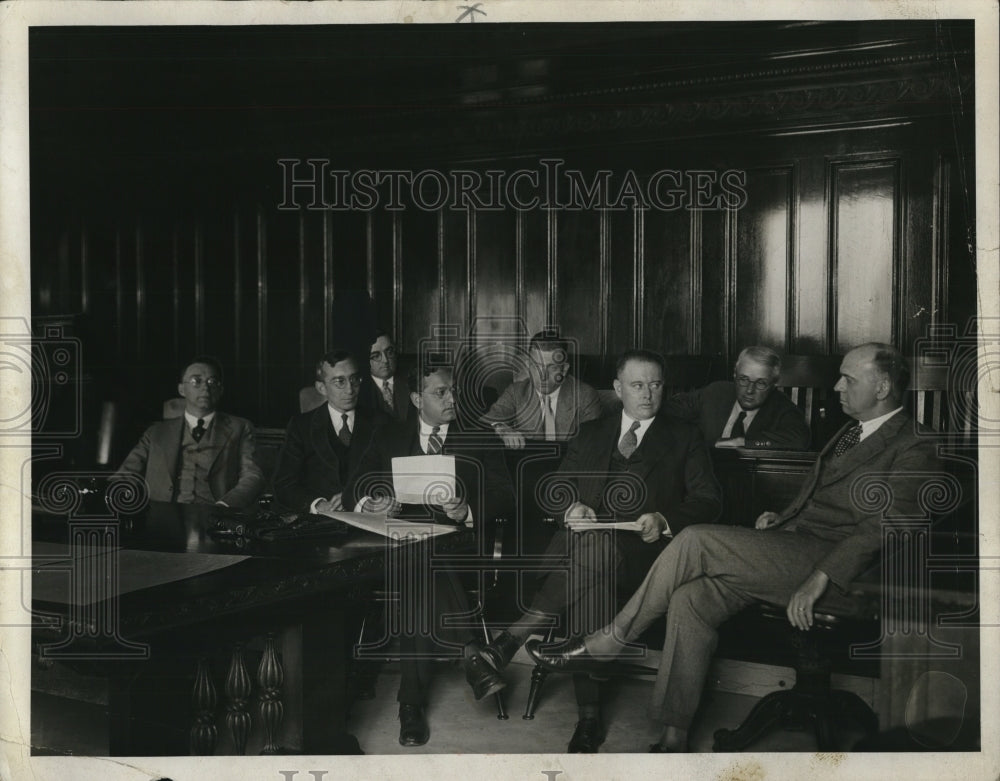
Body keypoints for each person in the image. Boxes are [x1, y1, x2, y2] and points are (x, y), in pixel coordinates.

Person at [527, 343, 938, 752]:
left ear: (882, 386)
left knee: (696, 538)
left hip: (840, 571)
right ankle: (674, 734)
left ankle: (611, 639)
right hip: (796, 546)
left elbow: (888, 526)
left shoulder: (914, 443)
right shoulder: (852, 431)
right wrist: (784, 519)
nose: (836, 385)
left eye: (848, 378)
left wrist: (821, 579)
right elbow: (824, 503)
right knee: (691, 598)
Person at [465, 349, 722, 752]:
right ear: (618, 389)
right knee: (593, 568)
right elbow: (555, 489)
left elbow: (709, 500)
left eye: (656, 384)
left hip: (644, 554)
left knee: (594, 559)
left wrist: (663, 518)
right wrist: (572, 506)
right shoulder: (592, 431)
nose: (648, 394)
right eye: (637, 385)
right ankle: (587, 716)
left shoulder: (684, 436)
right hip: (581, 549)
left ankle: (511, 645)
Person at [343, 364, 515, 748]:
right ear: (417, 399)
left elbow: (506, 493)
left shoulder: (478, 435)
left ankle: (410, 705)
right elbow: (356, 482)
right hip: (394, 548)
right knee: (418, 559)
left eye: (454, 391)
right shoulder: (387, 435)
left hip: (458, 552)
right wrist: (372, 499)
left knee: (420, 565)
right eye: (440, 393)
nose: (452, 399)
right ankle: (472, 653)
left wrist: (467, 508)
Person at [116, 356, 264, 508]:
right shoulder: (156, 433)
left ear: (221, 390)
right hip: (163, 517)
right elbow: (125, 475)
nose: (205, 388)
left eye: (212, 382)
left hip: (216, 516)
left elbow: (252, 476)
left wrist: (225, 506)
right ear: (181, 389)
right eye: (196, 381)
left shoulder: (240, 428)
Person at [273, 349, 388, 514]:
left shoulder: (380, 421)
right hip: (319, 524)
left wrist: (359, 500)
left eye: (354, 379)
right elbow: (284, 484)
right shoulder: (301, 426)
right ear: (321, 388)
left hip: (367, 520)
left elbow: (390, 478)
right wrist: (318, 505)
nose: (350, 390)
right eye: (339, 381)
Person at [662, 345, 810, 449]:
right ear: (735, 375)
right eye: (744, 379)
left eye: (761, 383)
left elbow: (799, 440)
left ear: (773, 384)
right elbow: (670, 410)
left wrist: (744, 442)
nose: (750, 390)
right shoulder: (716, 392)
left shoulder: (783, 408)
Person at [483, 330, 602, 448]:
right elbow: (491, 418)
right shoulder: (516, 391)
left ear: (564, 369)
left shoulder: (585, 396)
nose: (543, 376)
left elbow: (590, 446)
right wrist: (503, 430)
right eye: (536, 366)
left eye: (552, 368)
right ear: (528, 365)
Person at [362, 330, 412, 423]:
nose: (385, 360)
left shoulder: (412, 380)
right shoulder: (360, 389)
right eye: (376, 356)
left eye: (389, 352)